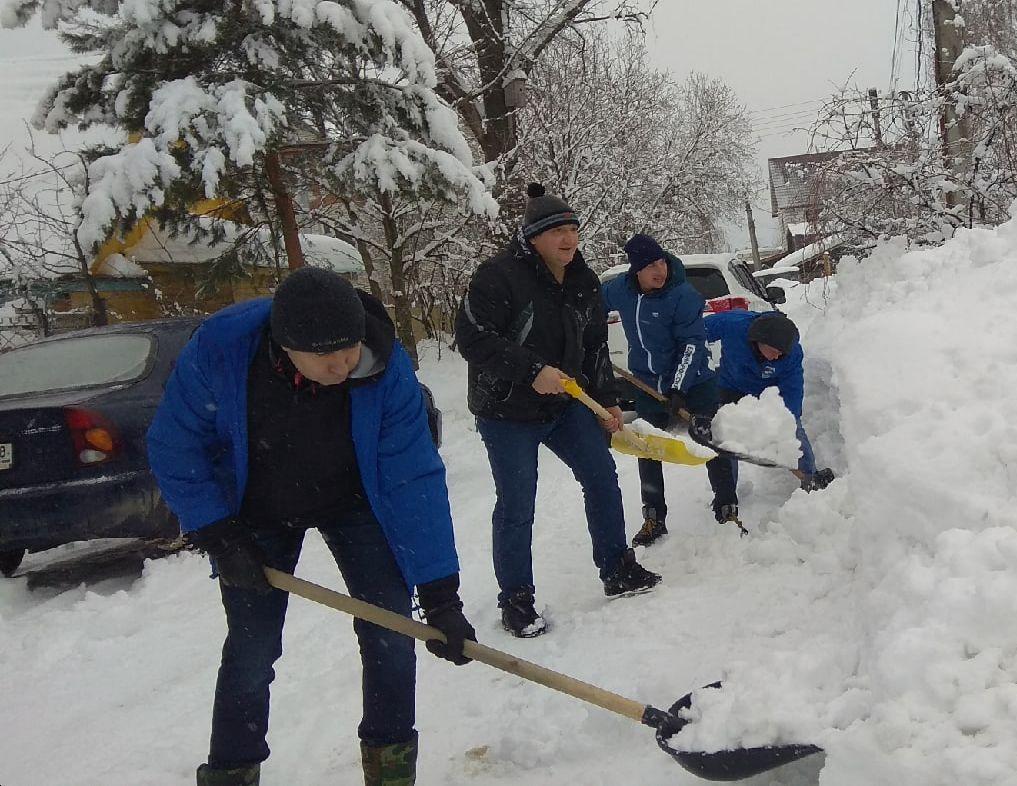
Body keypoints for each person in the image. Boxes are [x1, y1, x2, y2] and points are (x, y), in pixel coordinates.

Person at [147, 266, 475, 786]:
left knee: (390, 631)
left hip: (355, 501)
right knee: (252, 649)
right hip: (257, 510)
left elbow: (413, 476)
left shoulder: (384, 367)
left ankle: (390, 769)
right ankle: (232, 769)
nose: (343, 364)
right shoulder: (225, 349)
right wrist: (217, 533)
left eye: (349, 349)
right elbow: (174, 444)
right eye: (326, 356)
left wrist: (439, 593)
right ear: (285, 345)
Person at [454, 183, 662, 638]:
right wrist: (530, 370)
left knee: (601, 477)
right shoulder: (497, 277)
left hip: (565, 403)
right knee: (517, 505)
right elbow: (471, 339)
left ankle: (617, 567)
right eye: (557, 232)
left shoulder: (585, 282)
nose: (569, 239)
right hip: (506, 410)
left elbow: (593, 348)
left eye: (573, 229)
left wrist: (605, 398)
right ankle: (516, 600)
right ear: (532, 237)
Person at [602, 233, 740, 545]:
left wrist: (678, 387)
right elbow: (590, 302)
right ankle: (654, 518)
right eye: (651, 264)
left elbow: (692, 344)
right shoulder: (620, 291)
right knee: (647, 447)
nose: (659, 269)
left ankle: (727, 505)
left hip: (696, 381)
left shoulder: (683, 295)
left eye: (661, 261)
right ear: (636, 269)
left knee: (709, 441)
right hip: (647, 383)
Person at [705, 309, 835, 494]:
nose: (777, 357)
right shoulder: (733, 325)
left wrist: (787, 422)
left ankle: (810, 477)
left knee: (794, 432)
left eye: (782, 353)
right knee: (724, 438)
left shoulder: (791, 354)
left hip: (769, 395)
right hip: (730, 387)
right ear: (759, 340)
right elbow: (694, 331)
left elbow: (793, 389)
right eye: (774, 351)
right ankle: (725, 494)